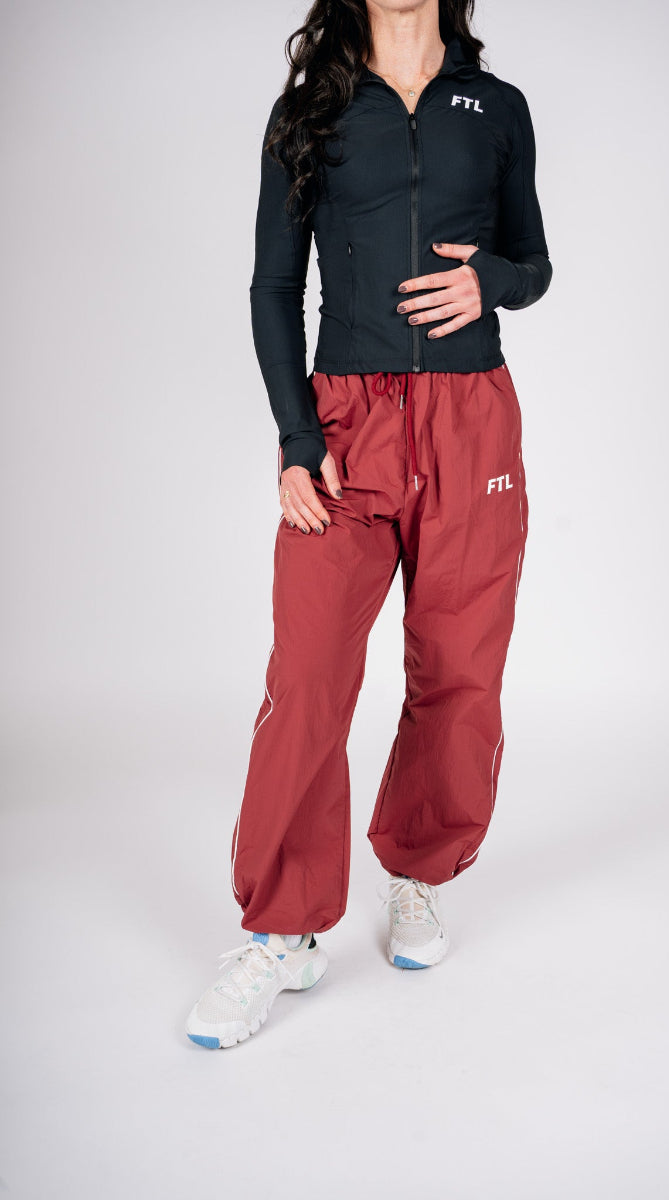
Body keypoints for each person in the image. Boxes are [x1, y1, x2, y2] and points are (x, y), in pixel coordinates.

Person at [185, 0, 552, 1050]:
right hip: (346, 421)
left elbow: (533, 264)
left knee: (460, 668)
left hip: (470, 417)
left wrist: (488, 280)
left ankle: (419, 871)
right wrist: (297, 438)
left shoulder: (496, 106)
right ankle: (282, 930)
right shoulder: (311, 110)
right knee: (307, 674)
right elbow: (272, 284)